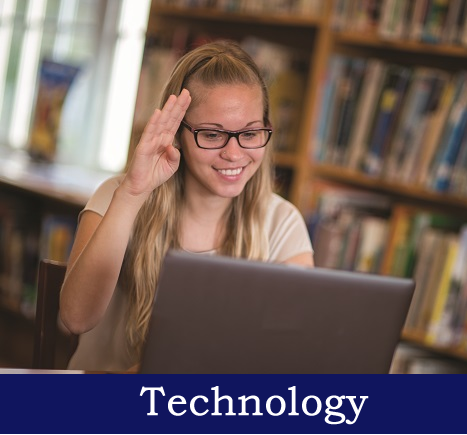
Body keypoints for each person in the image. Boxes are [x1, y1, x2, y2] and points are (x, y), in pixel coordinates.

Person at [60, 40, 314, 372]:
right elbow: (74, 318)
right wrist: (133, 193)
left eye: (250, 134)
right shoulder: (118, 196)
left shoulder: (281, 223)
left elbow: (291, 353)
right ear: (176, 133)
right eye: (212, 135)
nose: (234, 154)